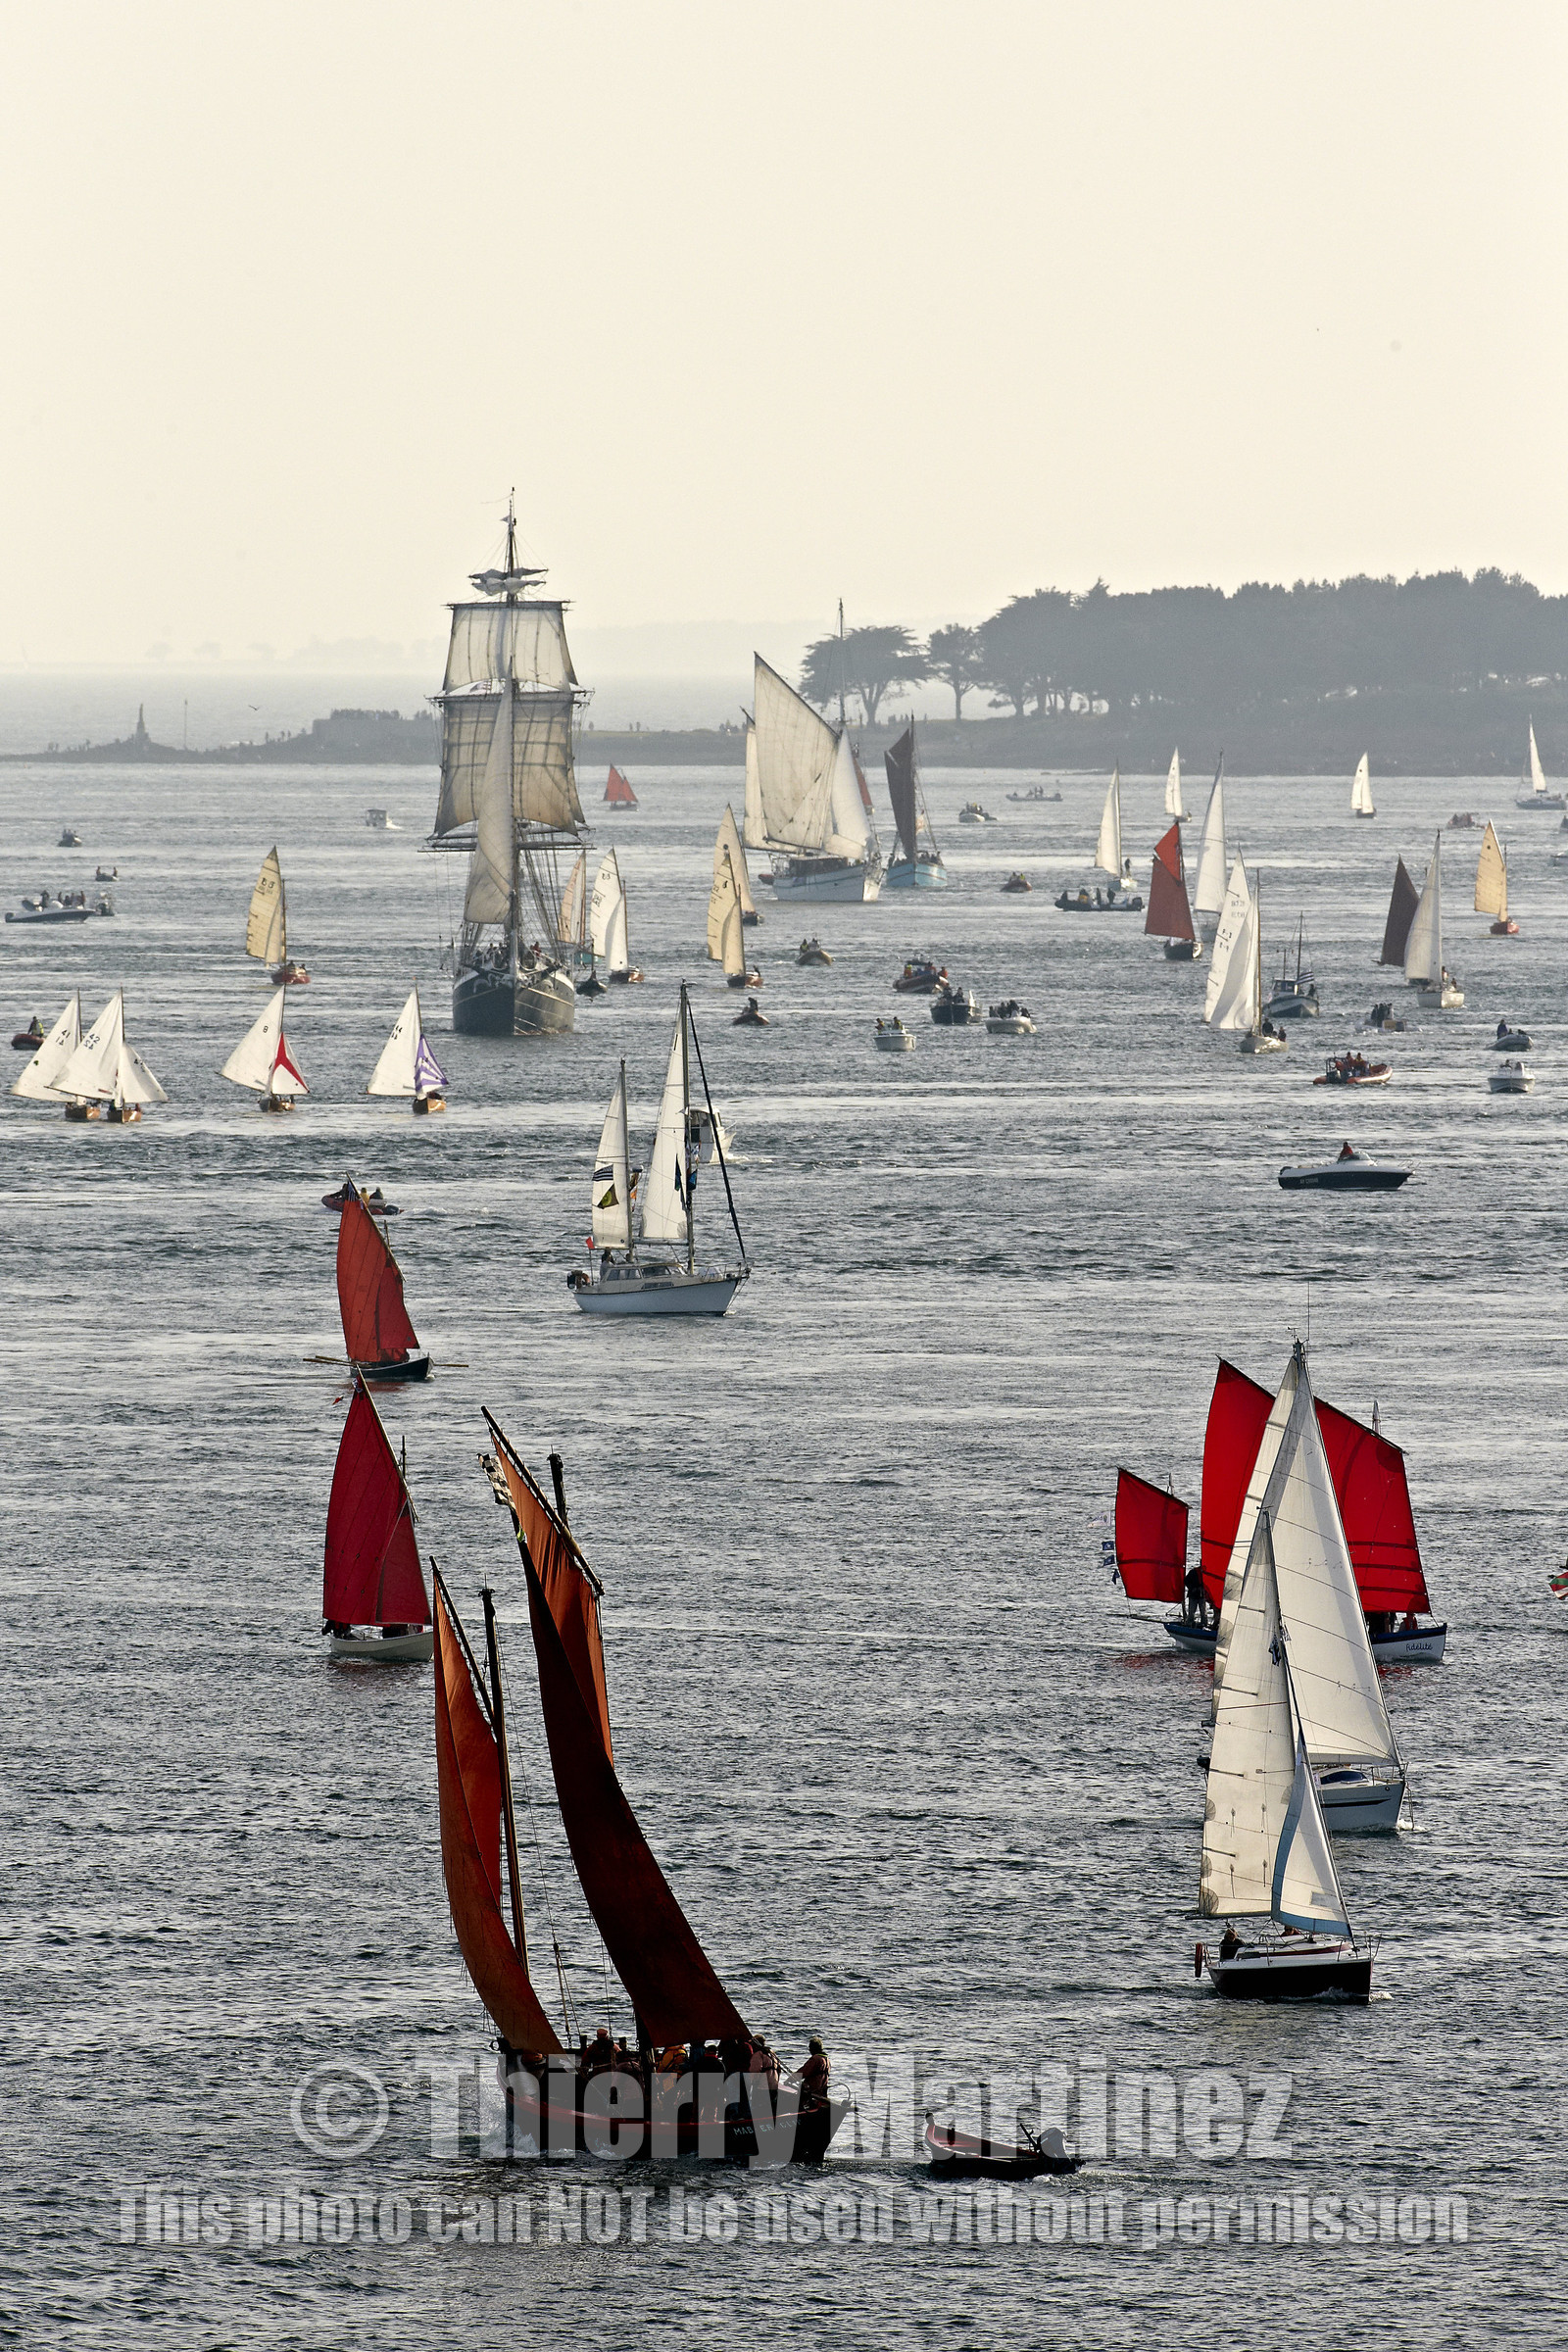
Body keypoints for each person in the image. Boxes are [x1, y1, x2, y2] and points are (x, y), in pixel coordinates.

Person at [793, 2037, 830, 2108]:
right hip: (821, 2092)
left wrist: (791, 2079)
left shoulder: (815, 2059)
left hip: (811, 2091)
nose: (809, 2050)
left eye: (810, 2047)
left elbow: (803, 2072)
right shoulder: (827, 2060)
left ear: (814, 2048)